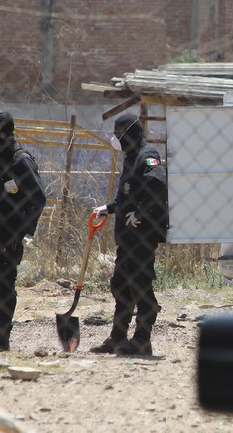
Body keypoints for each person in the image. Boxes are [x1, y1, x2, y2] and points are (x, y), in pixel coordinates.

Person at [90, 112, 167, 356]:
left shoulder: (147, 156)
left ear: (129, 134)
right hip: (127, 237)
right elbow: (127, 196)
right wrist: (108, 208)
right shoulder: (131, 157)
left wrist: (140, 213)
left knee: (140, 286)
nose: (114, 138)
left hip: (142, 236)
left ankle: (142, 340)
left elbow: (157, 187)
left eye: (117, 133)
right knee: (121, 285)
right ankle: (118, 337)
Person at [0, 111, 46, 351]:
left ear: (4, 131)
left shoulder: (20, 160)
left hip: (7, 236)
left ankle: (1, 339)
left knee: (3, 287)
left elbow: (38, 199)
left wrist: (20, 232)